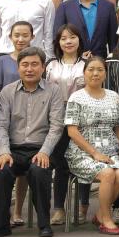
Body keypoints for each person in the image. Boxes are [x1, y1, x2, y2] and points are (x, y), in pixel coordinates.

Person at [0, 46, 65, 237]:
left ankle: (44, 224)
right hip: (13, 149)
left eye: (34, 64)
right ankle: (1, 225)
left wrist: (45, 151)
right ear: (18, 67)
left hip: (41, 148)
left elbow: (56, 126)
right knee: (0, 171)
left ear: (43, 68)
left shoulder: (54, 91)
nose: (29, 69)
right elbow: (1, 125)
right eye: (25, 65)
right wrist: (4, 152)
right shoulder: (7, 92)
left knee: (39, 170)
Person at [64, 55, 119, 235]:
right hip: (82, 153)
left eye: (100, 70)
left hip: (109, 152)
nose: (95, 73)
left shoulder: (113, 96)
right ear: (84, 73)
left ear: (105, 74)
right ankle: (106, 220)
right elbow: (72, 131)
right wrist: (95, 153)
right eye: (91, 69)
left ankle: (100, 214)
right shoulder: (76, 97)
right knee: (107, 173)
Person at [46, 24, 88, 225]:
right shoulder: (50, 65)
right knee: (61, 163)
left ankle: (83, 206)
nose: (68, 41)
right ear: (58, 42)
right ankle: (59, 209)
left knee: (83, 162)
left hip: (82, 119)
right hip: (56, 119)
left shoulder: (87, 64)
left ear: (79, 40)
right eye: (63, 38)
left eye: (72, 37)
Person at [52, 0, 119, 57]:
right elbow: (57, 38)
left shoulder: (108, 7)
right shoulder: (64, 8)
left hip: (101, 61)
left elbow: (113, 41)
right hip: (73, 61)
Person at [0, 21, 33, 92]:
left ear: (32, 37)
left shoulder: (38, 61)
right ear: (10, 37)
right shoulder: (2, 61)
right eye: (16, 36)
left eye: (25, 36)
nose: (20, 40)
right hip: (6, 98)